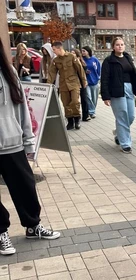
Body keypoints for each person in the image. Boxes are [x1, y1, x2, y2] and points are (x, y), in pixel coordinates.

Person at [0, 38, 60, 256]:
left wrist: (28, 141)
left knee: (25, 187)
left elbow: (23, 108)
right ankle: (1, 232)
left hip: (12, 142)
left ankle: (33, 226)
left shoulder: (9, 73)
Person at [101, 37, 136, 154]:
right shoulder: (109, 61)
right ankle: (125, 143)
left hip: (129, 89)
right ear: (113, 47)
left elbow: (134, 76)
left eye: (122, 44)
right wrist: (105, 96)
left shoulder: (128, 58)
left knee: (130, 116)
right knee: (122, 116)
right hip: (116, 91)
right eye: (117, 45)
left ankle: (119, 133)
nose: (120, 46)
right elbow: (104, 79)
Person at [47, 42, 87, 130]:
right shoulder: (56, 60)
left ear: (59, 48)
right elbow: (52, 73)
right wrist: (48, 85)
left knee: (75, 101)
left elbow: (80, 69)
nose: (53, 52)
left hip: (74, 83)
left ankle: (77, 119)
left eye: (54, 50)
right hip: (63, 84)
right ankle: (70, 121)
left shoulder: (71, 57)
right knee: (66, 103)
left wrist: (84, 80)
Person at [81, 46, 101, 119]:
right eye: (82, 51)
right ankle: (91, 111)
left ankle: (93, 110)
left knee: (94, 98)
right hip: (86, 82)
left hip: (95, 81)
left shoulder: (94, 59)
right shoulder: (82, 60)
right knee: (88, 97)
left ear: (88, 51)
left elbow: (99, 68)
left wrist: (99, 77)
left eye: (84, 51)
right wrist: (85, 72)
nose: (82, 53)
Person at [71, 49, 90, 122]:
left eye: (74, 53)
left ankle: (86, 115)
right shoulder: (71, 63)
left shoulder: (82, 63)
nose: (72, 54)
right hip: (75, 83)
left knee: (84, 99)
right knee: (75, 100)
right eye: (71, 53)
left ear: (77, 54)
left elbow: (84, 73)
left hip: (82, 83)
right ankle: (75, 115)